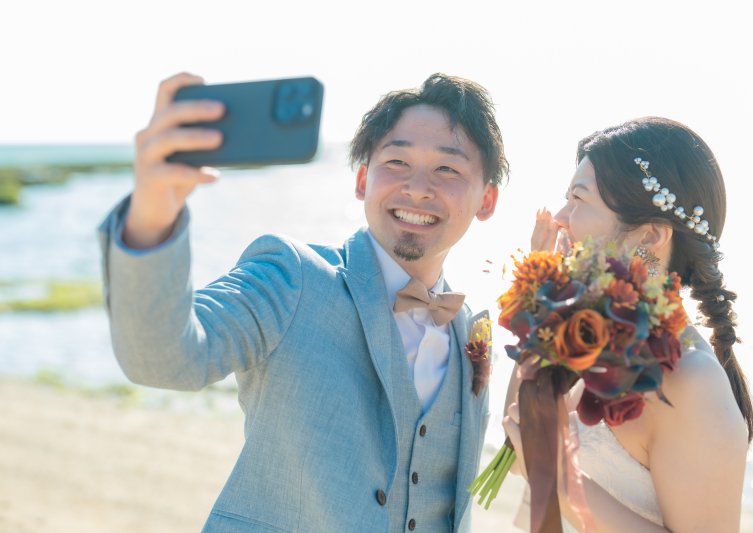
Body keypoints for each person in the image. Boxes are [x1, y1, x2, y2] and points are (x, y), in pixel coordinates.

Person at [98, 72, 508, 532]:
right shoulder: (290, 276)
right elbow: (164, 358)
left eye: (447, 169)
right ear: (361, 179)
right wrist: (153, 213)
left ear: (486, 200)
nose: (417, 188)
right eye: (396, 161)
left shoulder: (472, 332)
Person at [502, 117, 751, 532]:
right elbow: (515, 452)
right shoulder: (589, 332)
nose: (560, 217)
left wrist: (563, 479)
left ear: (650, 236)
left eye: (578, 199)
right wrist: (543, 306)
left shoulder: (691, 380)